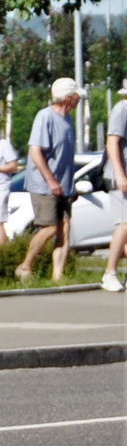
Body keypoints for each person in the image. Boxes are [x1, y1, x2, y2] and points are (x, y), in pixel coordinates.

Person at [17, 78, 80, 282]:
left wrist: (70, 183)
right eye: (76, 96)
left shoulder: (68, 120)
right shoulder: (45, 117)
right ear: (68, 98)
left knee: (65, 228)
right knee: (50, 227)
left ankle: (58, 276)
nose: (79, 100)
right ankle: (25, 267)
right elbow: (35, 152)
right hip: (44, 185)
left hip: (64, 186)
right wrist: (51, 180)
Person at [102, 79, 127, 293]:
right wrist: (120, 174)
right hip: (120, 176)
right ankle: (109, 273)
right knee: (124, 224)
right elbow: (112, 141)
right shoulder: (122, 109)